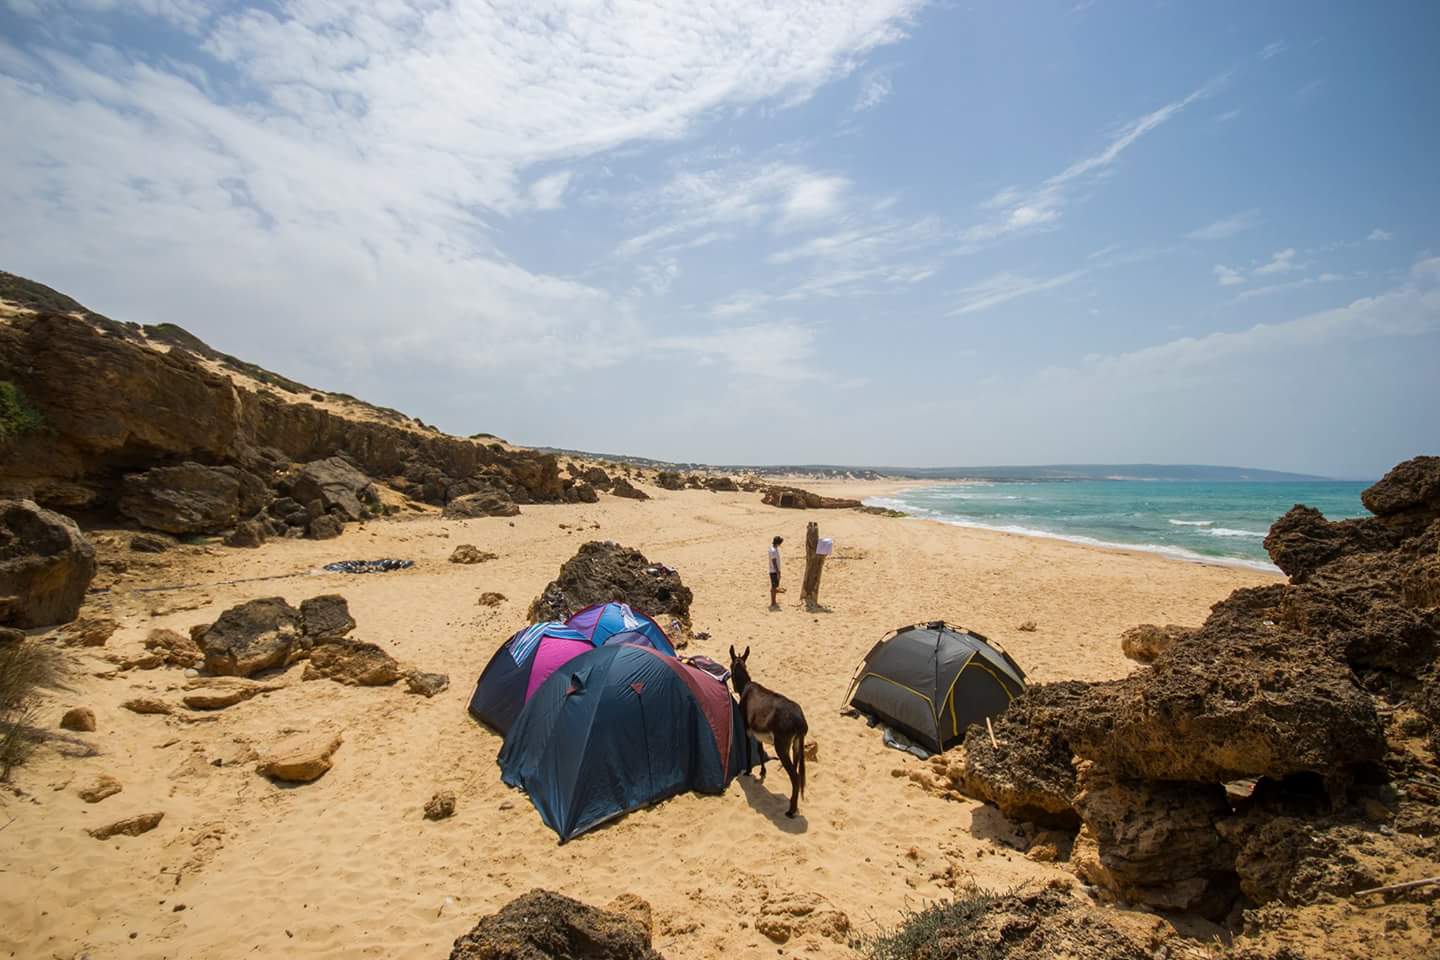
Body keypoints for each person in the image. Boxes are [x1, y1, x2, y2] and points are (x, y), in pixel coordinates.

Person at [768, 535, 784, 608]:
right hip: (774, 571)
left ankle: (775, 596)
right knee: (774, 587)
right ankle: (773, 602)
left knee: (775, 586)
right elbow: (774, 562)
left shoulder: (773, 548)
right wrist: (778, 572)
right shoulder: (773, 551)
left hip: (774, 570)